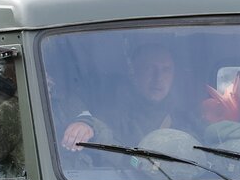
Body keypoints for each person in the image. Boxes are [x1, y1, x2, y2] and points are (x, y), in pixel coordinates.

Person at [60, 42, 195, 152]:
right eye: (149, 68)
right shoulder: (111, 107)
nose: (158, 78)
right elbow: (70, 99)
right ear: (133, 72)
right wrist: (84, 123)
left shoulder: (184, 115)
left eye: (166, 70)